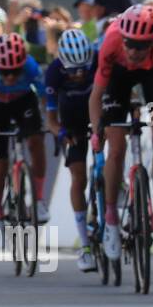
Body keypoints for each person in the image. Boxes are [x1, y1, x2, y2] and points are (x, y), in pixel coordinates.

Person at [88, 3, 153, 255]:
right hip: (118, 77)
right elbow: (96, 95)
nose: (135, 51)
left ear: (152, 41)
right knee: (116, 147)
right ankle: (111, 220)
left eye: (141, 46)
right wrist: (95, 131)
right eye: (130, 44)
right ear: (122, 37)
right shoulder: (112, 42)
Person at [0, 32, 50, 225]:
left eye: (15, 71)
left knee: (36, 141)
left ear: (23, 64)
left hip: (22, 101)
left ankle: (39, 200)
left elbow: (44, 97)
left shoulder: (31, 66)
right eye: (4, 72)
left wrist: (48, 119)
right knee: (0, 163)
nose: (10, 77)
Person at [45, 28, 99, 272]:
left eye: (82, 70)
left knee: (109, 159)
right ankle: (85, 245)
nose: (77, 75)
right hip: (72, 122)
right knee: (79, 177)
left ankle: (113, 190)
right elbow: (51, 120)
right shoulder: (54, 72)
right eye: (72, 71)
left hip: (99, 114)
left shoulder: (98, 60)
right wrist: (62, 133)